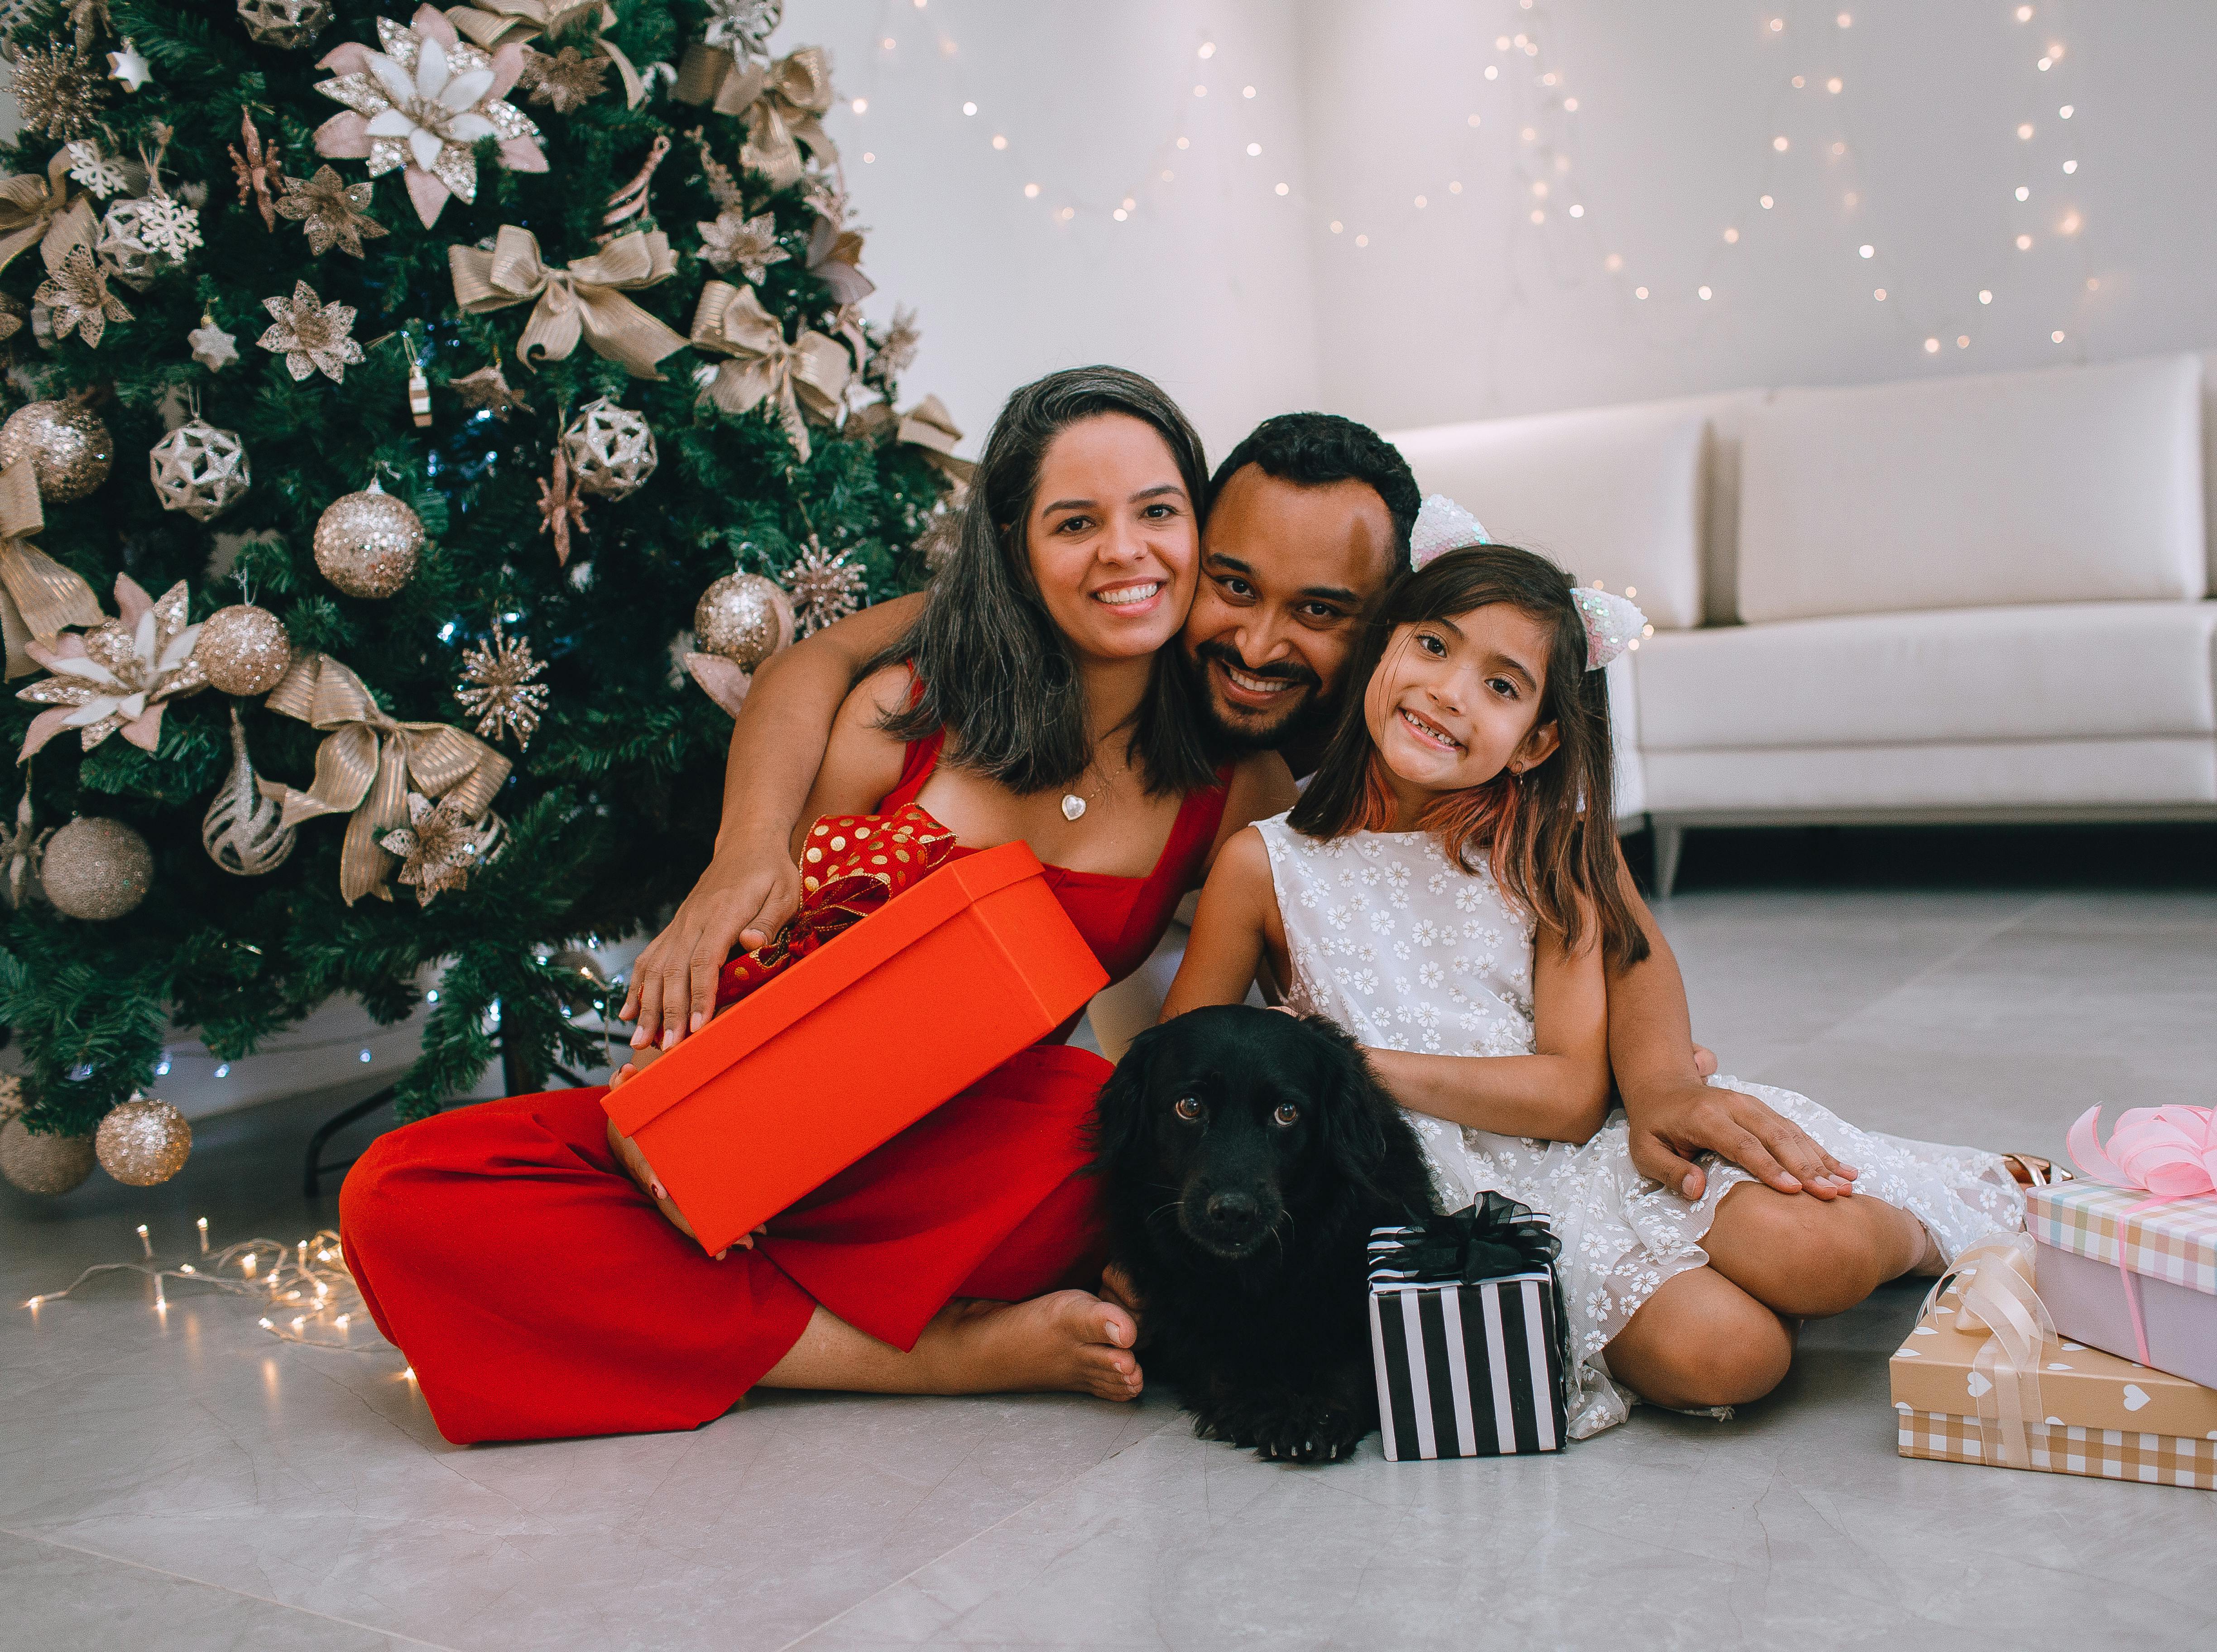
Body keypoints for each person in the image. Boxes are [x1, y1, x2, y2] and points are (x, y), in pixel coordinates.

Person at [340, 367, 1293, 1443]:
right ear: (1019, 553)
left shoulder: (1235, 786)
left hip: (978, 1171)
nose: (1127, 552)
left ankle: (692, 1313)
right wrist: (674, 1094)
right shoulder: (904, 708)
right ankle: (939, 1356)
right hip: (784, 1114)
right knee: (401, 1192)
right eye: (1076, 522)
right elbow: (774, 955)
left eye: (1158, 512)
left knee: (1095, 1136)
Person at [624, 421, 1867, 1213]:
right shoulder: (1126, 622)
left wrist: (1650, 1077)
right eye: (1233, 586)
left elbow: (1597, 893)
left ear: (1391, 619)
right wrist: (747, 855)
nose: (1260, 646)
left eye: (1324, 613)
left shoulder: (1394, 723)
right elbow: (808, 666)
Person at [1161, 534, 2028, 1433]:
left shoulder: (1546, 850)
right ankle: (1738, 1281)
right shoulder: (1264, 867)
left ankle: (1938, 1233)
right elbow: (1181, 1067)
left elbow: (1572, 1097)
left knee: (1819, 1252)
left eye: (1500, 686)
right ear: (1384, 646)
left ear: (1536, 741)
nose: (1450, 692)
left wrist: (1342, 1065)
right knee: (1730, 1361)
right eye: (1432, 645)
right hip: (1437, 1198)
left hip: (1585, 1152)